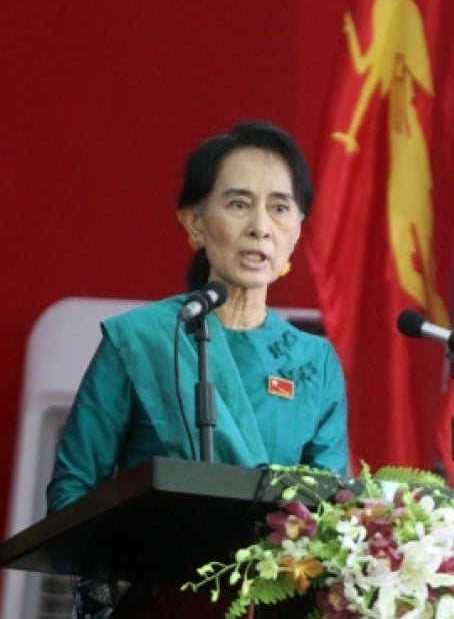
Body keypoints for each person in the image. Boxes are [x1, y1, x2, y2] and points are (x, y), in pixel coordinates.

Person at [46, 120, 349, 617]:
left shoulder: (314, 361)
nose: (260, 226)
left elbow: (330, 514)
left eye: (279, 207)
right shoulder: (142, 339)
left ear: (297, 230)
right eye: (238, 203)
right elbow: (73, 490)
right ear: (194, 222)